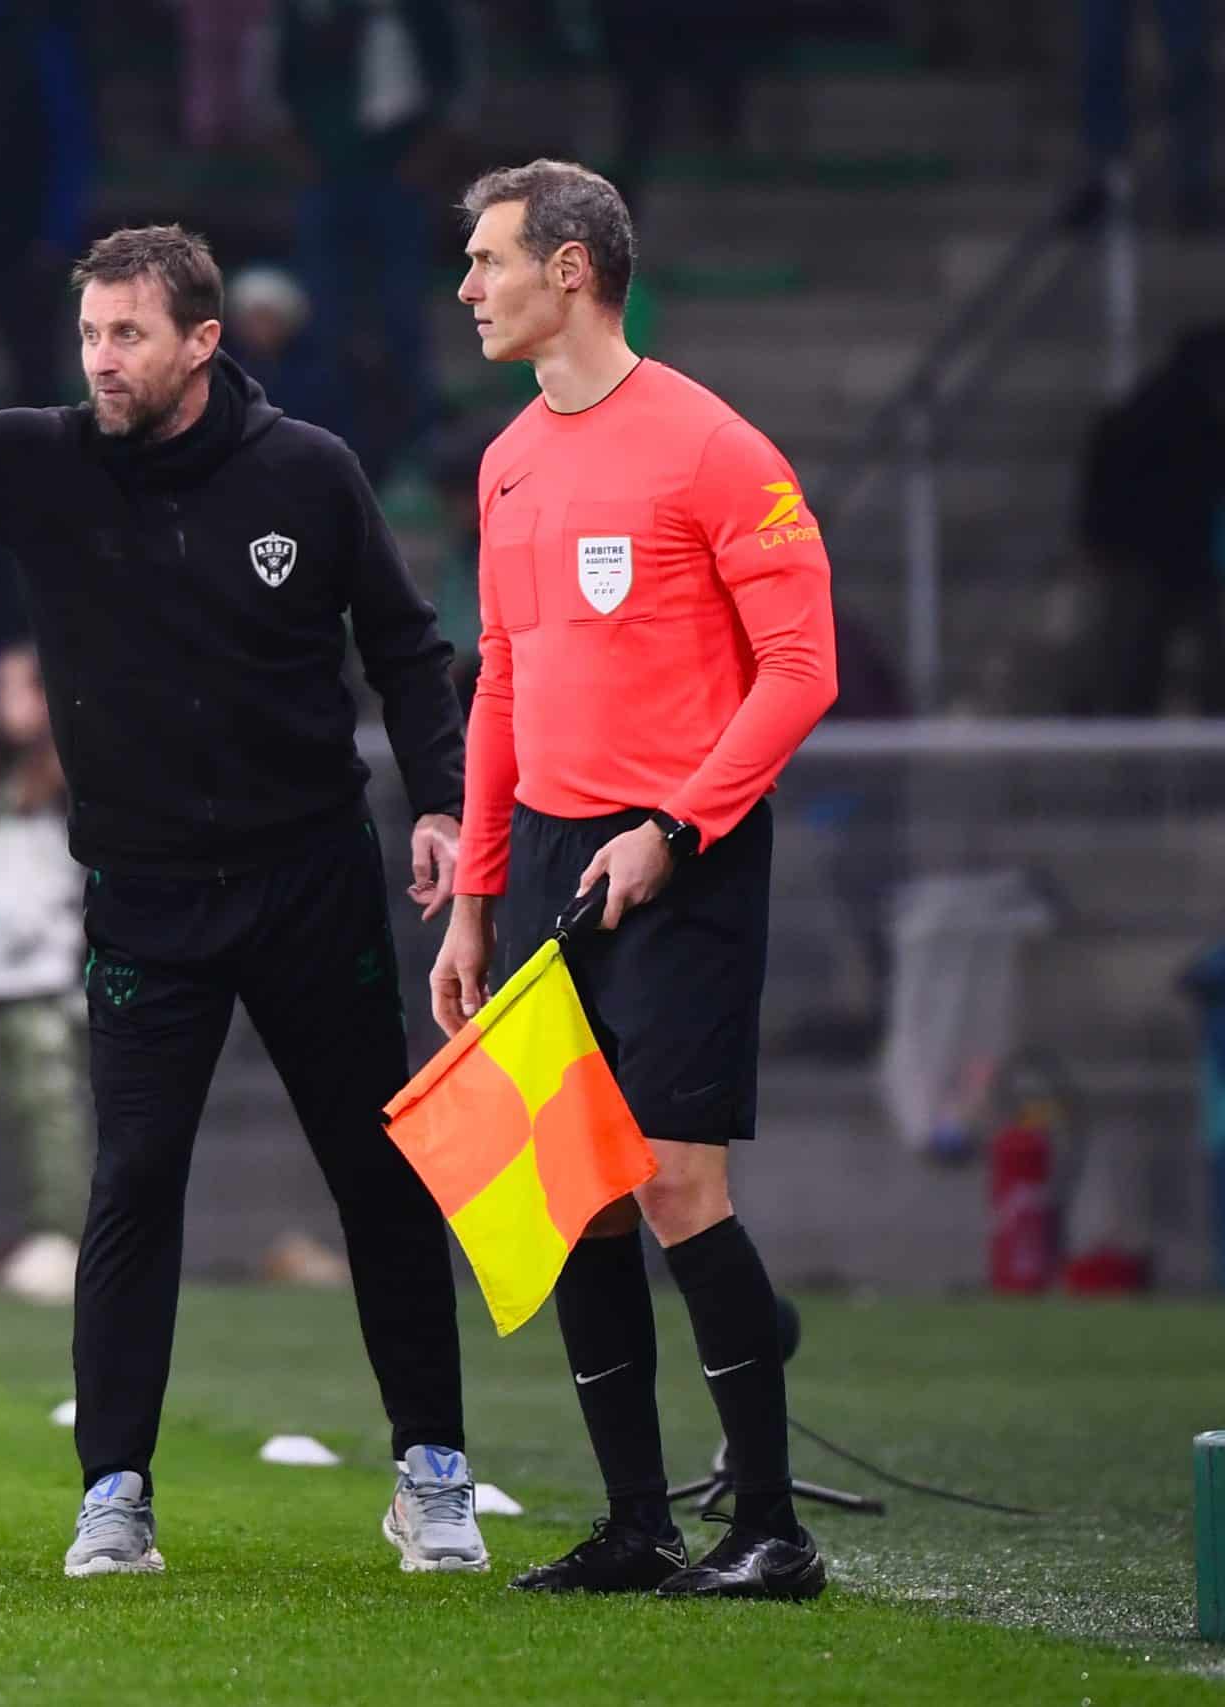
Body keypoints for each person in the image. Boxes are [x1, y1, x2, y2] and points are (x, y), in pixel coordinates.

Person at [0, 224, 483, 1578]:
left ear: (204, 341)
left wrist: (439, 798)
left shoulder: (310, 474)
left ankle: (434, 1471)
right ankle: (116, 1495)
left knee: (381, 1174)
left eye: (127, 333)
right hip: (144, 895)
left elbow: (408, 647)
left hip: (311, 879)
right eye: (90, 334)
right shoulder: (47, 460)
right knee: (133, 1180)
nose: (101, 359)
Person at [431, 159, 837, 1600]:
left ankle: (774, 1528)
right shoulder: (508, 459)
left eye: (488, 261)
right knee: (577, 1192)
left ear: (574, 271)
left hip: (686, 852)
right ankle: (634, 1523)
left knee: (672, 1177)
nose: (468, 286)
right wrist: (477, 895)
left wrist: (675, 826)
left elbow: (803, 671)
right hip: (548, 850)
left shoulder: (715, 448)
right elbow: (501, 689)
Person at [0, 642, 91, 1304]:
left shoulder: (69, 768)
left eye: (12, 689)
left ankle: (65, 1238)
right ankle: (45, 1231)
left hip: (46, 971)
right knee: (21, 1114)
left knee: (53, 1114)